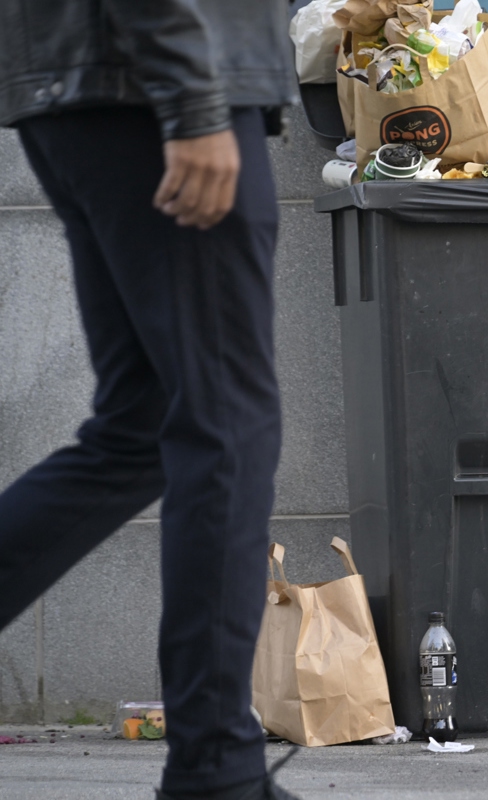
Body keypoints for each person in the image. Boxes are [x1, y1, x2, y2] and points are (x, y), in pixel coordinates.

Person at [0, 1, 297, 798]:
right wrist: (193, 98)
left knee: (140, 427)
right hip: (160, 82)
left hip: (91, 82)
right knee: (227, 425)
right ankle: (217, 771)